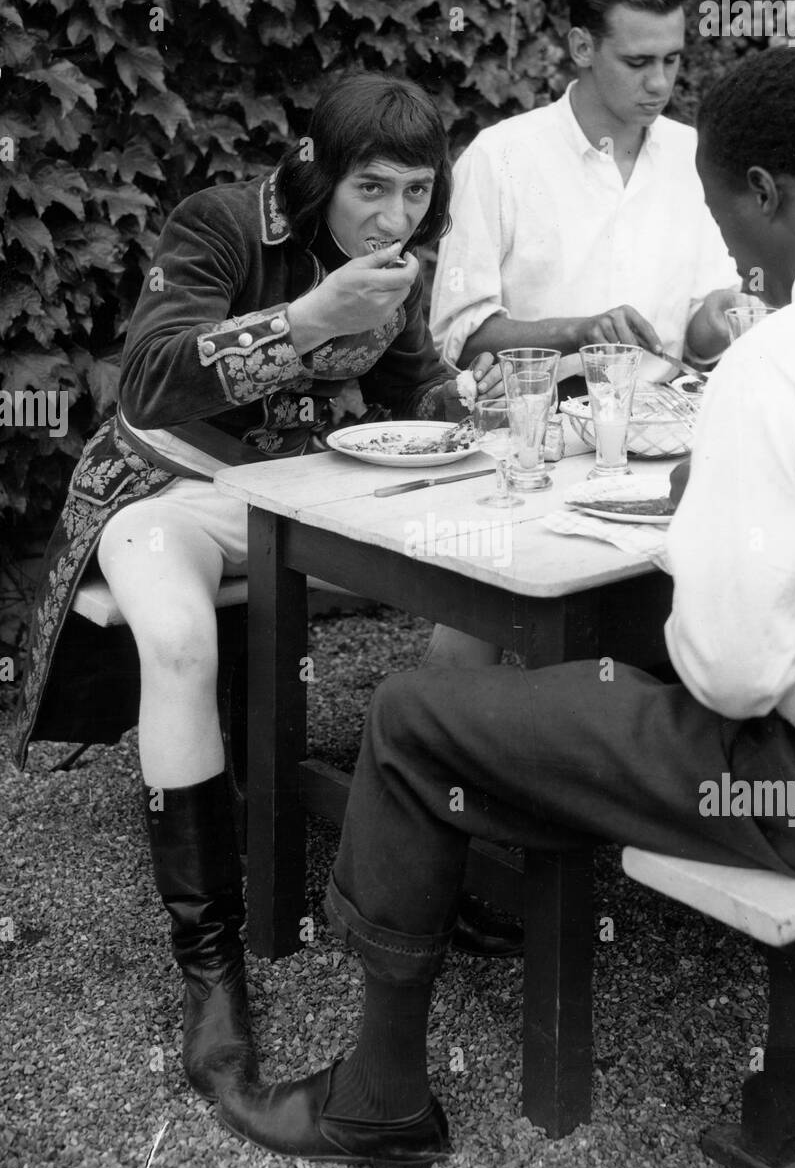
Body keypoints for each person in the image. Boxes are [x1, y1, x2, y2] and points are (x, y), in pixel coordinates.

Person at [217, 46, 795, 1168]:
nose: (728, 257)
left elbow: (733, 676)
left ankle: (379, 1098)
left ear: (761, 192)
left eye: (720, 218)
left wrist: (698, 533)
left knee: (411, 713)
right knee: (612, 671)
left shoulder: (775, 364)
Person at [11, 72, 503, 1105]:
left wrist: (474, 398)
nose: (396, 217)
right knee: (181, 643)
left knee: (484, 568)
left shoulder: (401, 254)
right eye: (373, 188)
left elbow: (412, 387)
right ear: (319, 170)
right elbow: (145, 376)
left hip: (307, 500)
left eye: (416, 193)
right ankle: (209, 964)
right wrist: (306, 317)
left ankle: (420, 865)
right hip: (167, 490)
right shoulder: (223, 222)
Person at [430, 0, 744, 395]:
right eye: (637, 62)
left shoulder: (693, 155)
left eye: (671, 60)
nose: (659, 83)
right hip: (533, 433)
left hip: (662, 429)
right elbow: (457, 340)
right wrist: (580, 332)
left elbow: (699, 343)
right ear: (581, 47)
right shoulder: (499, 157)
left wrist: (722, 317)